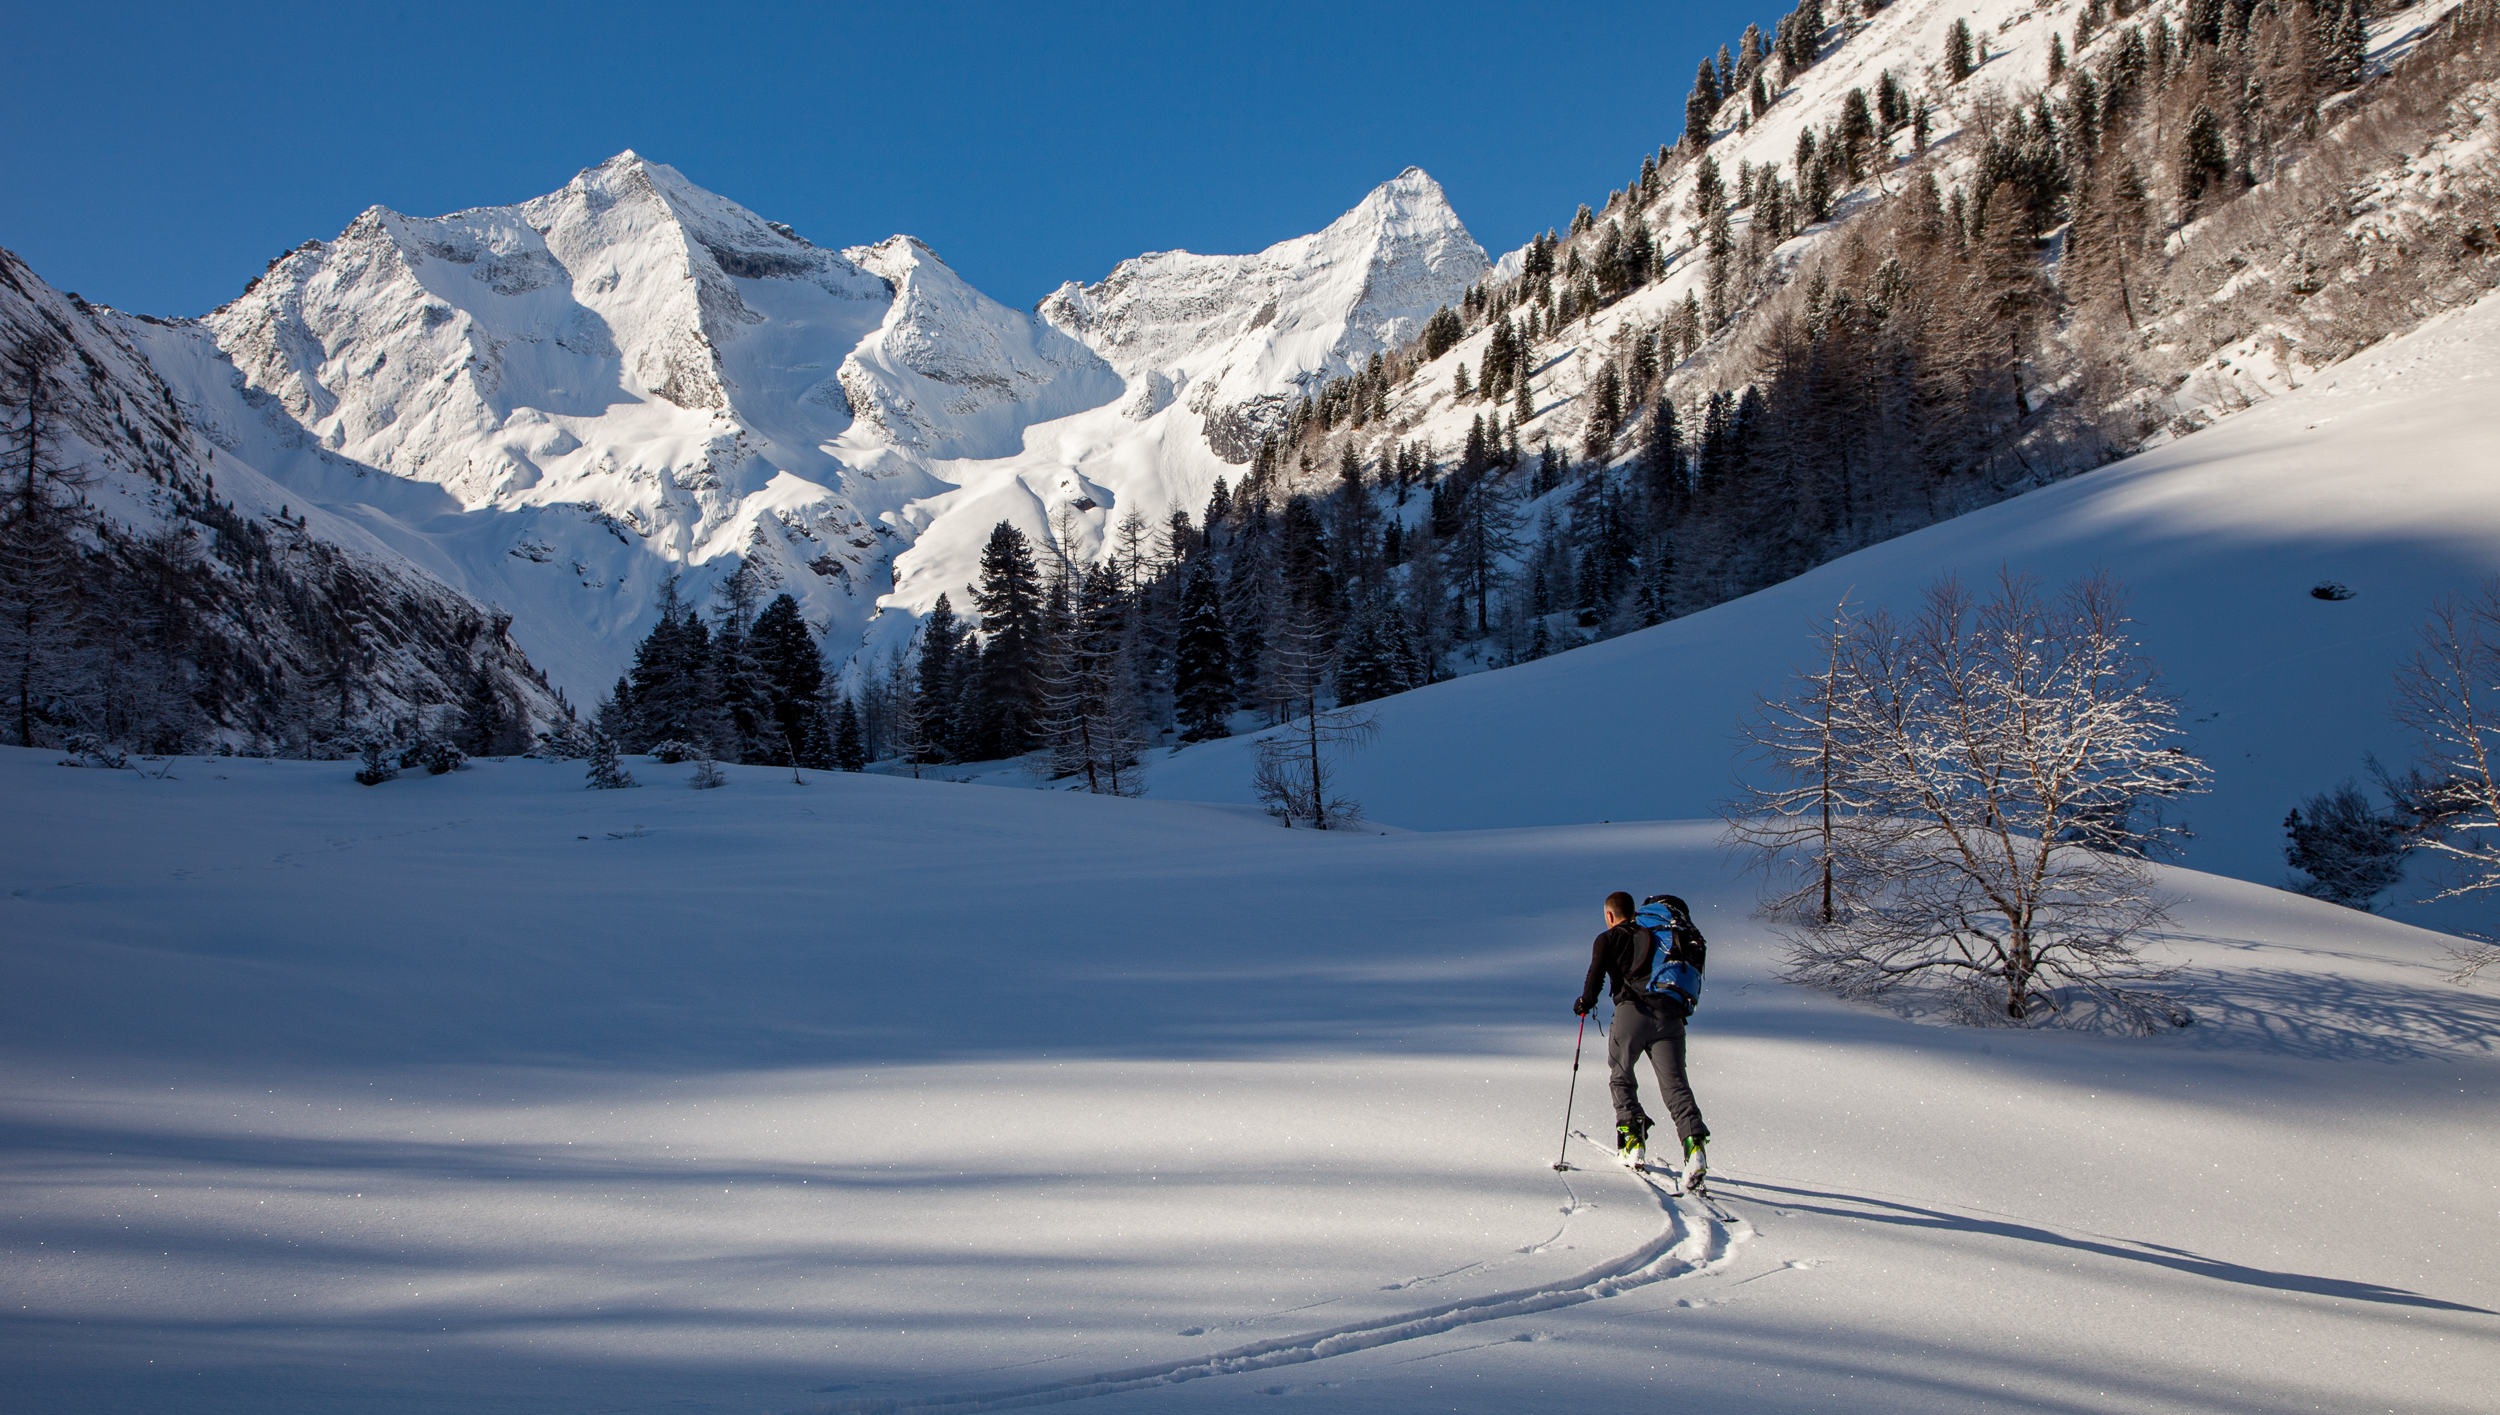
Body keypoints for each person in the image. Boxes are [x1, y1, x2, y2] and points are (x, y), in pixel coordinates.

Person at [1574, 890, 1709, 1180]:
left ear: (1610, 915)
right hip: (1670, 1016)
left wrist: (1584, 1003)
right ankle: (1694, 1147)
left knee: (1621, 1075)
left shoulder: (1608, 938)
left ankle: (1633, 1143)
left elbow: (1594, 979)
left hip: (1631, 1014)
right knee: (1675, 1086)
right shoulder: (1657, 935)